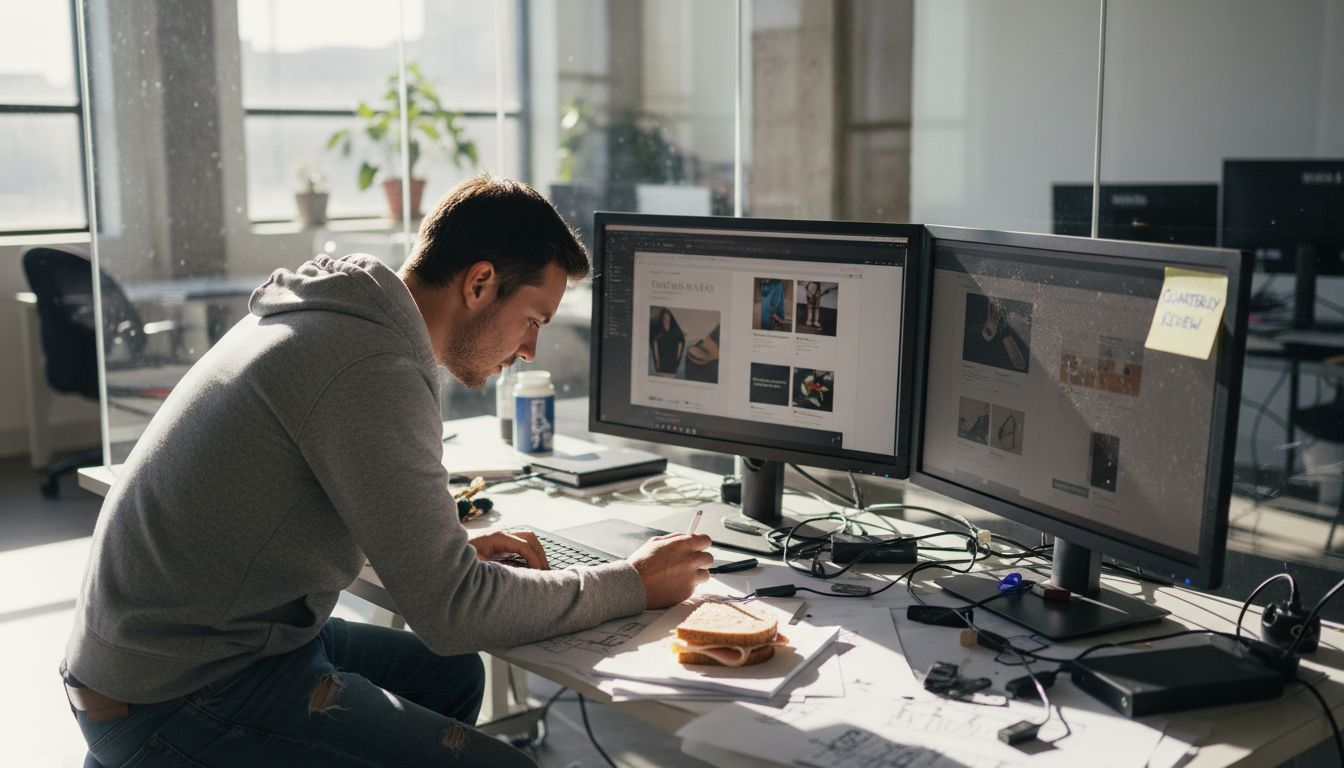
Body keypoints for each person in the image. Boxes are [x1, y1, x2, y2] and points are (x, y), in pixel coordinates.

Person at [60, 174, 713, 768]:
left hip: (166, 651)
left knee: (452, 678)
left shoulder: (336, 315)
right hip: (174, 693)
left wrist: (445, 549)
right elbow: (453, 610)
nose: (530, 348)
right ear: (480, 282)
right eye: (532, 320)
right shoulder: (370, 368)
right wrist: (633, 582)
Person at [649, 307, 685, 376]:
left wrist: (676, 363)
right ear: (661, 320)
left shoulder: (676, 332)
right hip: (661, 368)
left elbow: (680, 346)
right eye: (664, 318)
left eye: (667, 317)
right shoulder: (658, 333)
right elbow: (655, 349)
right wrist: (657, 365)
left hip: (672, 368)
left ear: (670, 318)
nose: (665, 320)